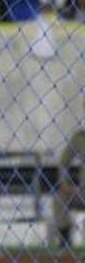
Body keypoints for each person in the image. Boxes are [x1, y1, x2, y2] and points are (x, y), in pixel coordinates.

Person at [54, 101, 84, 249]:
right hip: (82, 193)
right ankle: (65, 243)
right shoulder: (80, 138)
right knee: (59, 198)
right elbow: (64, 161)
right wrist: (64, 182)